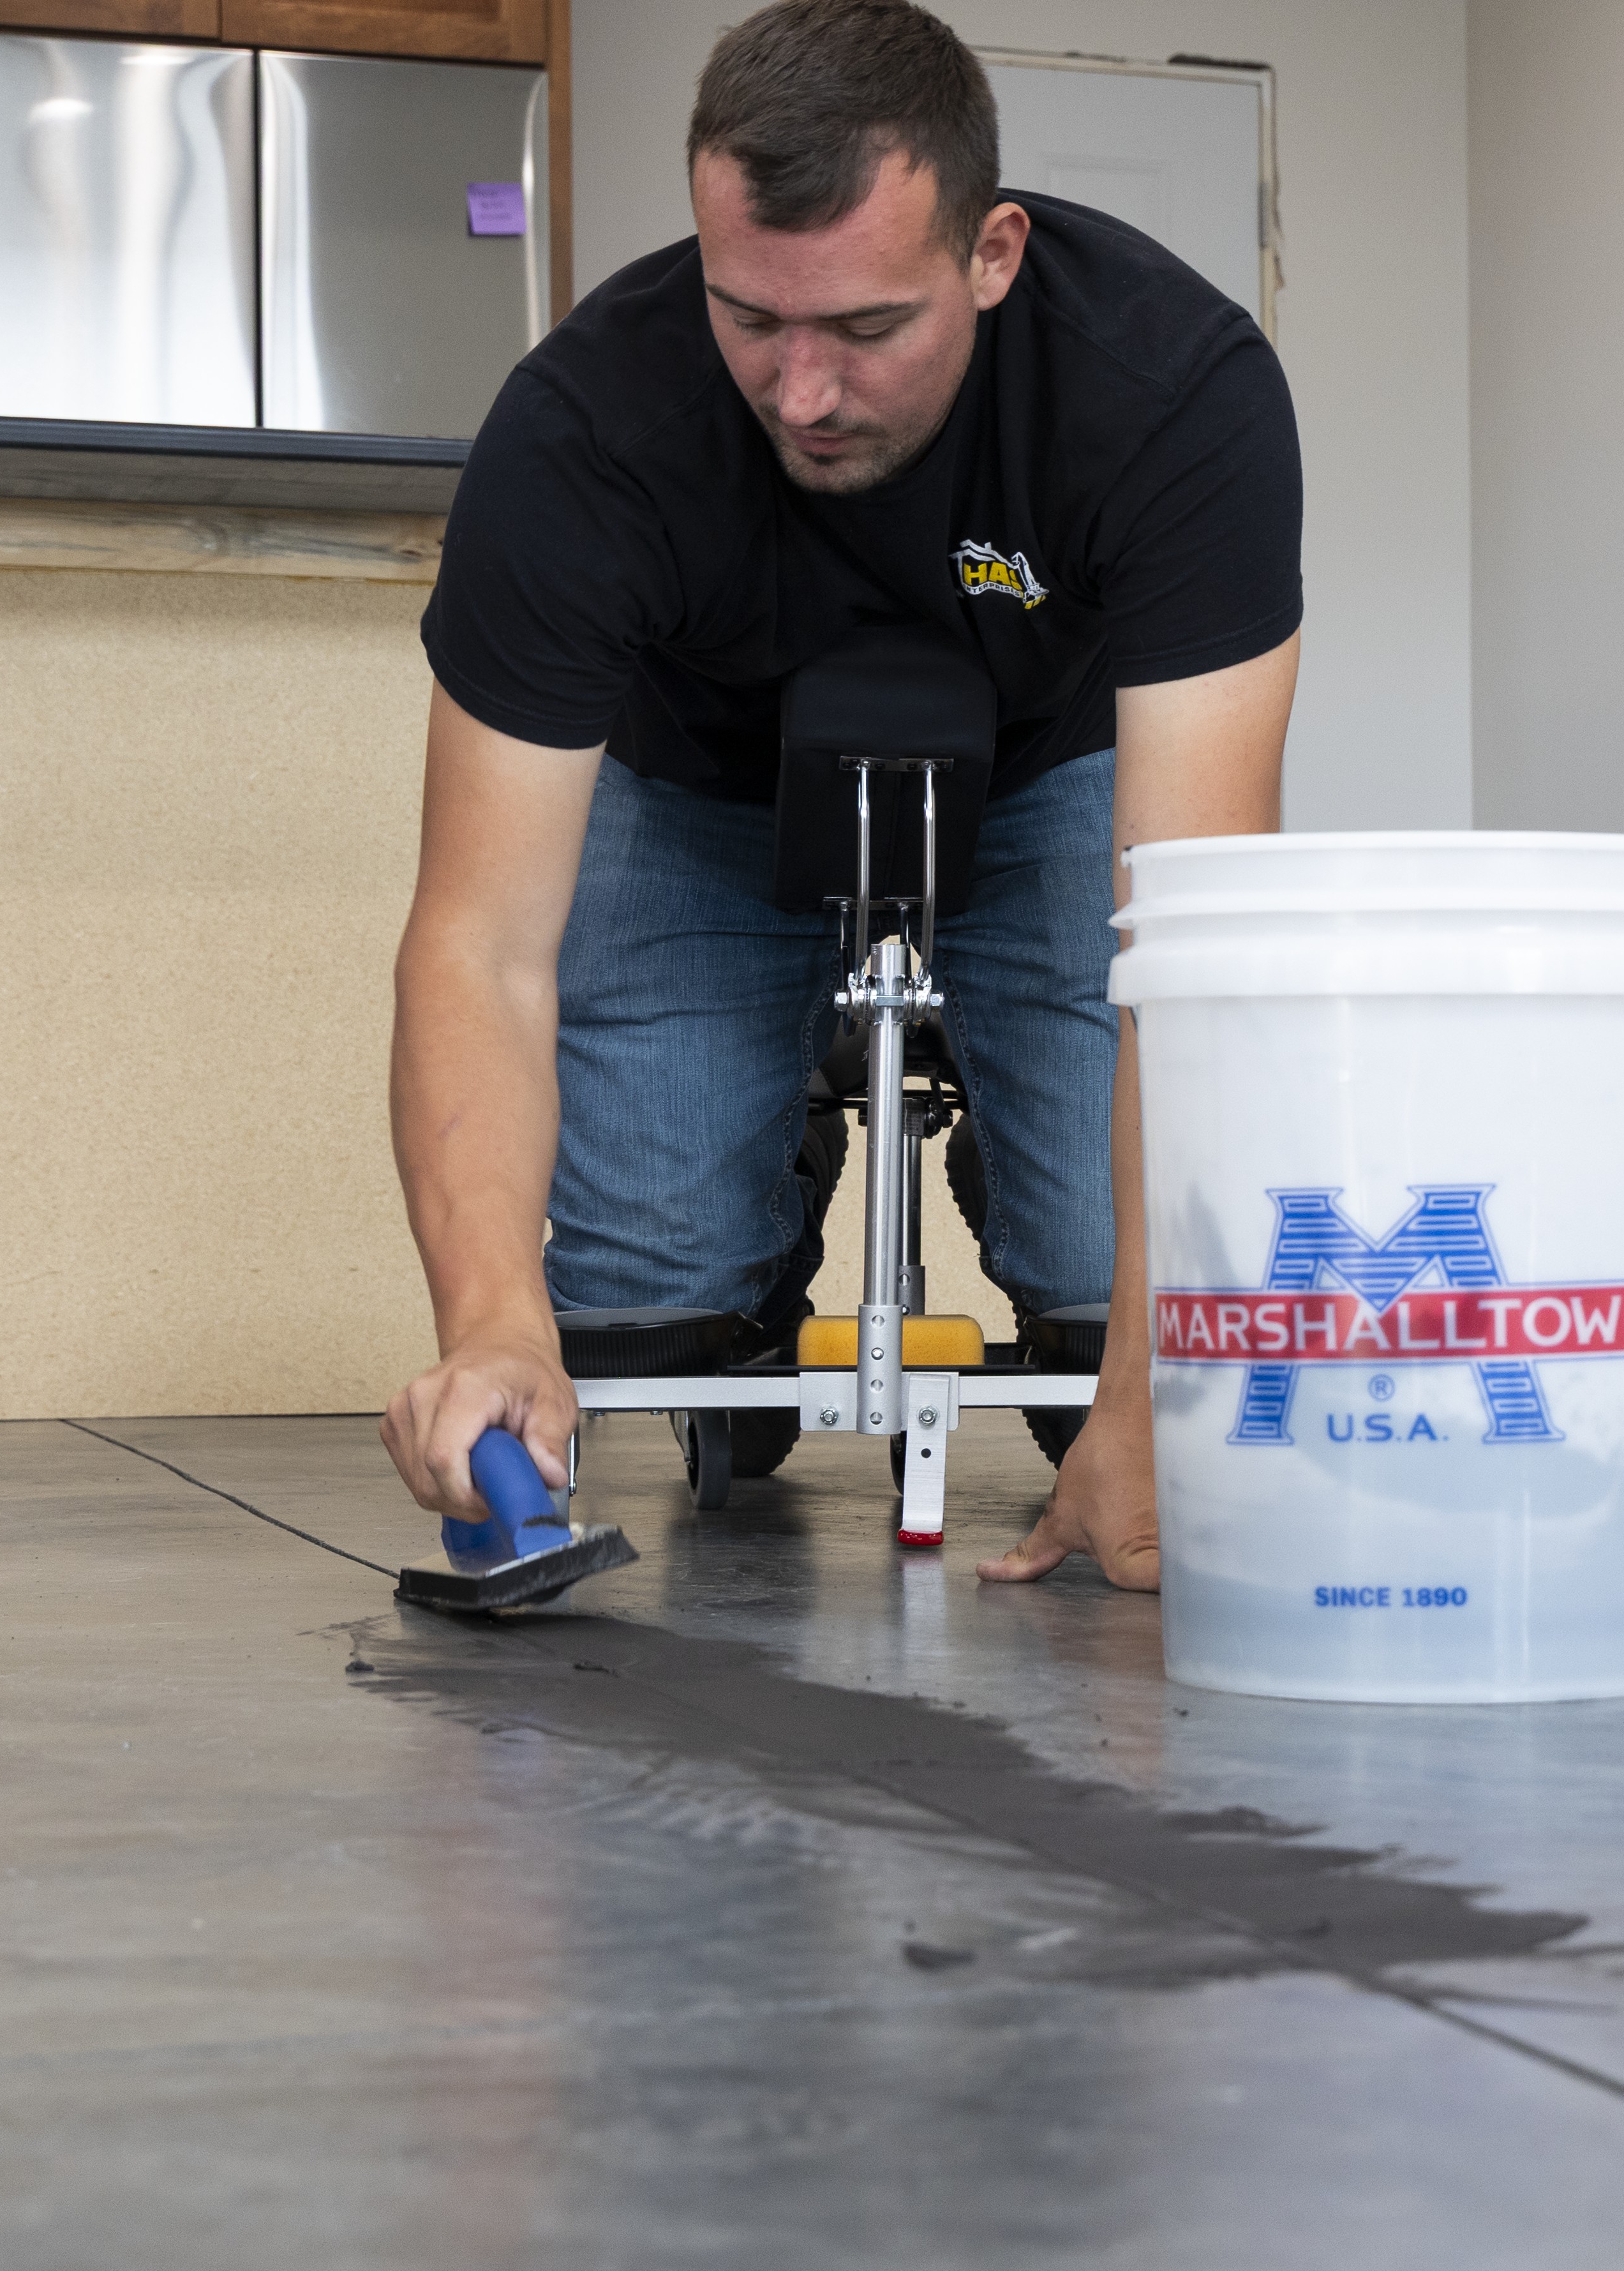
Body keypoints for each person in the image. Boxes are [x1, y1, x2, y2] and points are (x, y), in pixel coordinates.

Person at [379, 0, 1302, 1589]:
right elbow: (479, 945)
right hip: (697, 783)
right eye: (750, 317)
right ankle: (772, 1160)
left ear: (992, 254)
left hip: (1050, 766)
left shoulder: (1171, 389)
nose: (800, 392)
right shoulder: (584, 431)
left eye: (867, 329)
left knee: (1109, 1308)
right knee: (638, 1313)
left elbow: (1198, 951)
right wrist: (492, 1322)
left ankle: (1019, 1138)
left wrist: (1152, 1393)